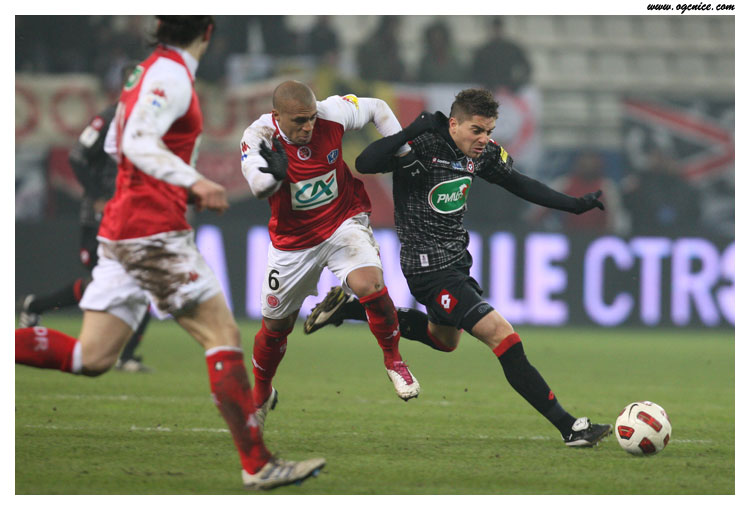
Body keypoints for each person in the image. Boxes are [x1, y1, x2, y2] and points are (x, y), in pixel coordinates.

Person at [15, 16, 324, 490]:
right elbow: (136, 142)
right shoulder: (171, 75)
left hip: (125, 224)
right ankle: (258, 464)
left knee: (92, 356)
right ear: (209, 31)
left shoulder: (147, 70)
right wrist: (191, 181)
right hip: (152, 230)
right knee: (222, 334)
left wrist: (159, 182)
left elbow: (118, 142)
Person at [305, 88, 612, 447]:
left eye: (489, 131)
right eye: (476, 130)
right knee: (503, 335)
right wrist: (412, 130)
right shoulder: (422, 145)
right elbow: (365, 162)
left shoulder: (482, 154)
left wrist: (573, 205)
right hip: (428, 269)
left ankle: (349, 309)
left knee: (443, 339)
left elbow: (519, 183)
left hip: (456, 263)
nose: (484, 139)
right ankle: (571, 428)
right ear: (453, 124)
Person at [240, 81, 420, 424]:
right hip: (293, 242)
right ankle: (261, 392)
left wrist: (403, 152)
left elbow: (378, 108)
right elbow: (257, 185)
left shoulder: (331, 113)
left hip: (342, 221)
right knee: (275, 328)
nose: (308, 126)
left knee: (371, 285)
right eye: (299, 121)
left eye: (311, 118)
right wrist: (273, 175)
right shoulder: (259, 135)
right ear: (277, 116)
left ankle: (394, 361)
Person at [19, 67, 151, 373]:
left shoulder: (145, 122)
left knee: (137, 284)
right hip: (100, 218)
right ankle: (36, 306)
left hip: (127, 219)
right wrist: (98, 195)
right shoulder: (108, 119)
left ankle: (125, 355)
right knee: (123, 283)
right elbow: (77, 157)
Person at [470, 17, 532, 93]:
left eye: (498, 28)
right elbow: (475, 72)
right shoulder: (483, 51)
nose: (496, 31)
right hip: (489, 91)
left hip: (510, 92)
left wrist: (516, 85)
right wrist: (486, 85)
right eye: (494, 28)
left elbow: (526, 68)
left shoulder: (512, 49)